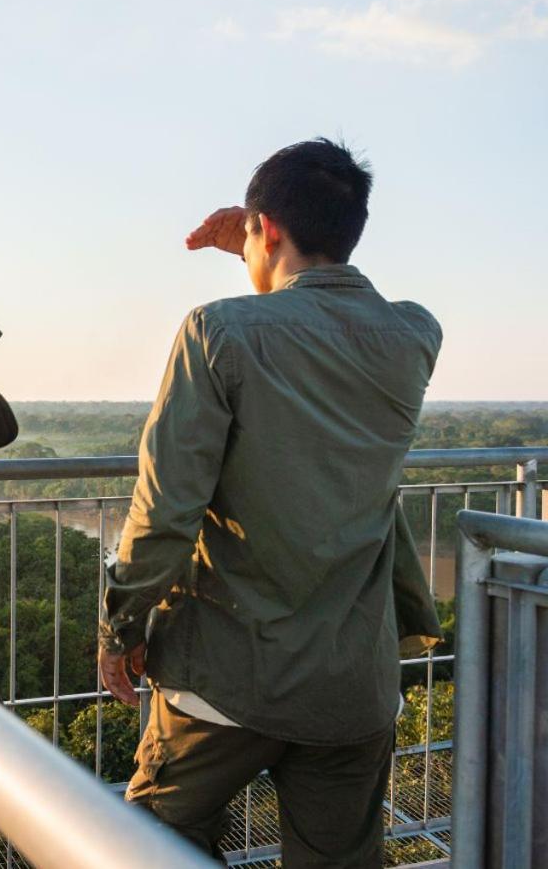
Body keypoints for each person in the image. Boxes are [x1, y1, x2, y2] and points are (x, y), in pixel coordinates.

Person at [98, 138, 443, 867]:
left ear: (269, 231)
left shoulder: (216, 330)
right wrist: (266, 247)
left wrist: (120, 624)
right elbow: (325, 329)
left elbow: (165, 511)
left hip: (225, 678)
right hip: (351, 686)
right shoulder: (414, 335)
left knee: (150, 844)